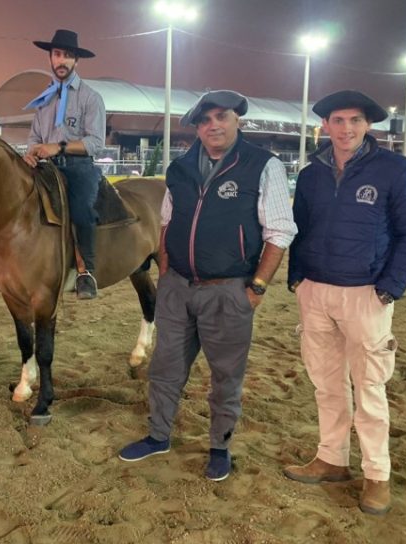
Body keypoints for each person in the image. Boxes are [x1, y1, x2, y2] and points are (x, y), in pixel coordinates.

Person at [119, 91, 297, 481]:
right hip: (178, 287)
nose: (213, 125)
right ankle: (158, 435)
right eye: (205, 120)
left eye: (221, 117)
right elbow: (167, 223)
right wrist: (165, 275)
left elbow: (280, 231)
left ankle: (220, 447)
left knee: (225, 375)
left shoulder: (262, 166)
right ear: (197, 127)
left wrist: (257, 288)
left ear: (237, 121)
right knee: (165, 368)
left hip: (229, 290)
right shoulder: (180, 168)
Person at [283, 90, 406, 515]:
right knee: (326, 384)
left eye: (354, 120)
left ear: (367, 126)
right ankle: (331, 458)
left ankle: (377, 474)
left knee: (369, 388)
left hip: (367, 293)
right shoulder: (311, 174)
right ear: (325, 126)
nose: (346, 128)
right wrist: (298, 277)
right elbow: (301, 227)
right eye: (338, 120)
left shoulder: (396, 170)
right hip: (315, 292)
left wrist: (389, 287)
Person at [22, 29, 106, 300]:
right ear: (50, 57)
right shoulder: (44, 100)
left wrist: (57, 147)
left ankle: (86, 271)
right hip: (46, 167)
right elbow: (35, 137)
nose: (62, 61)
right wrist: (32, 152)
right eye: (57, 54)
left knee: (81, 211)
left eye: (68, 56)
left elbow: (95, 142)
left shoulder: (91, 98)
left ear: (76, 61)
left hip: (78, 166)